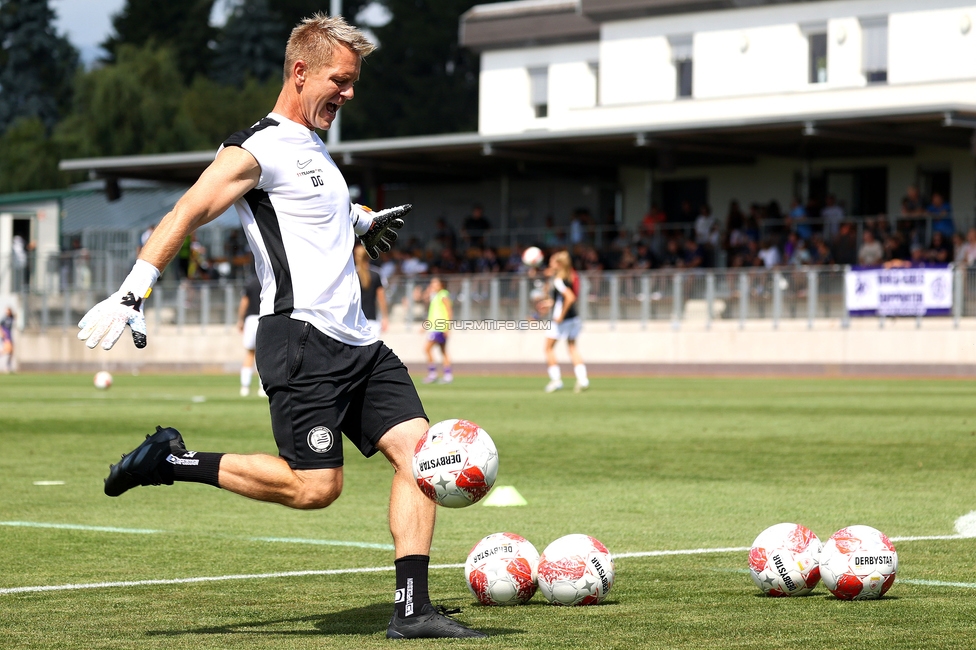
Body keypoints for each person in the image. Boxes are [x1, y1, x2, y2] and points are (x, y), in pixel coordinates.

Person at [75, 14, 484, 640]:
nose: (349, 95)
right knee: (316, 488)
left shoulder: (316, 148)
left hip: (360, 342)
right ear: (300, 72)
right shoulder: (255, 149)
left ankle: (413, 610)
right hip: (301, 340)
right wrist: (134, 291)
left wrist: (358, 221)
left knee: (422, 458)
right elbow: (188, 209)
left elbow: (311, 213)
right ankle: (173, 459)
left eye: (352, 84)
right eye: (340, 81)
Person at [541, 250, 588, 394]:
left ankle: (556, 380)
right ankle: (583, 379)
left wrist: (560, 315)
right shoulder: (571, 276)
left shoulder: (558, 279)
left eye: (552, 262)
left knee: (548, 348)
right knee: (572, 348)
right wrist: (550, 303)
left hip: (562, 320)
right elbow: (562, 299)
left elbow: (570, 297)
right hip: (574, 318)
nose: (550, 264)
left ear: (559, 264)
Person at [236, 274, 264, 397]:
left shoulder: (251, 282)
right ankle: (262, 388)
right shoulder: (268, 280)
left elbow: (244, 302)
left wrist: (240, 319)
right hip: (264, 318)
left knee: (250, 353)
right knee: (263, 355)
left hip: (251, 320)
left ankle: (245, 387)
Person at [422, 277, 452, 384]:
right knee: (443, 351)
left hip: (439, 327)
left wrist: (447, 327)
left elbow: (449, 311)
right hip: (435, 327)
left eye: (435, 283)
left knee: (427, 349)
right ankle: (448, 375)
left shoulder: (443, 295)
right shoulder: (435, 296)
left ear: (441, 285)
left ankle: (432, 374)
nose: (432, 285)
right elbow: (432, 313)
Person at [355, 244, 388, 336]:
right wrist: (385, 317)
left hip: (355, 321)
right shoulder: (376, 274)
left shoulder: (353, 275)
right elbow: (381, 299)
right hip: (372, 320)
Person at [1, 307, 14, 374]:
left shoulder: (11, 318)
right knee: (7, 350)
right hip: (6, 337)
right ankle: (6, 367)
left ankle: (8, 366)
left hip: (10, 336)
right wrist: (2, 333)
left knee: (11, 352)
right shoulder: (4, 318)